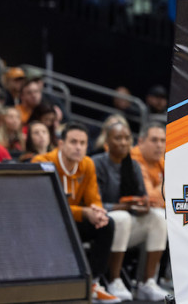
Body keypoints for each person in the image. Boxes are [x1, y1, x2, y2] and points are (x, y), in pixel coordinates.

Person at [33, 123, 118, 302]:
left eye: (82, 143)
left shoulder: (87, 164)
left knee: (106, 224)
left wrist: (97, 211)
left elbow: (93, 197)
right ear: (61, 144)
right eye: (73, 142)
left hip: (71, 220)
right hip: (45, 222)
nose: (78, 147)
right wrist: (85, 212)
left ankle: (93, 281)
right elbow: (48, 205)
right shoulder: (42, 162)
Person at [91, 120, 168, 302]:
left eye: (126, 138)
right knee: (122, 217)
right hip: (103, 224)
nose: (124, 142)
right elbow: (96, 203)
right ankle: (113, 280)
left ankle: (148, 283)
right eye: (118, 138)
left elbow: (142, 196)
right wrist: (123, 207)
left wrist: (143, 205)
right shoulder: (96, 163)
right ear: (107, 143)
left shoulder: (132, 165)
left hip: (127, 222)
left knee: (158, 217)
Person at [131, 123, 166, 210]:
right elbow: (151, 200)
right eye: (154, 140)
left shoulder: (160, 160)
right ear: (140, 142)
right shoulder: (134, 161)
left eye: (163, 140)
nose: (159, 145)